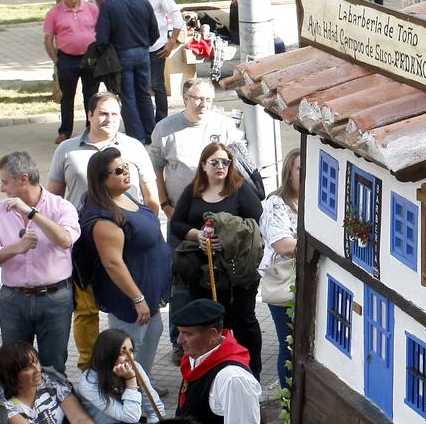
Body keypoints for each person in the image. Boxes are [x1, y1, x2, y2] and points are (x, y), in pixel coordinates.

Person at [49, 92, 159, 368]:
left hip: (126, 243)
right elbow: (54, 200)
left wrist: (148, 236)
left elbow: (151, 197)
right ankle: (90, 369)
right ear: (89, 114)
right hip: (83, 246)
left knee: (126, 304)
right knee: (86, 311)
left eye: (114, 114)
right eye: (102, 113)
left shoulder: (134, 147)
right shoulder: (67, 150)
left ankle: (128, 372)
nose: (109, 119)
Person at [0, 152, 79, 376]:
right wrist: (16, 248)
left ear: (24, 179)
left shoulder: (61, 207)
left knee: (54, 368)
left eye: (5, 182)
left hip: (55, 299)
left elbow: (65, 240)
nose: (2, 188)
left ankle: (53, 400)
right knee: (14, 367)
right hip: (14, 299)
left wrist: (32, 214)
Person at [170, 143, 264, 376]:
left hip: (236, 272)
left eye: (225, 162)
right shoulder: (193, 191)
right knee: (206, 321)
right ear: (203, 165)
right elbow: (177, 224)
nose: (220, 166)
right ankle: (209, 369)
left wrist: (229, 239)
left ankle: (251, 371)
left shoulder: (240, 190)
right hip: (201, 272)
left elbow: (258, 225)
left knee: (242, 320)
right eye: (214, 162)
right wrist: (198, 235)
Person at [82, 146, 171, 363]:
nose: (126, 172)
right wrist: (137, 299)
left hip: (148, 290)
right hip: (130, 299)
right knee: (129, 350)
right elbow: (112, 263)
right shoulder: (104, 219)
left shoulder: (123, 195)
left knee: (153, 334)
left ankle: (143, 381)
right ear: (102, 180)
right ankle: (129, 384)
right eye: (119, 171)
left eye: (126, 166)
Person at [149, 78, 246, 229]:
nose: (204, 104)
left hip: (219, 214)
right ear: (185, 99)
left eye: (208, 99)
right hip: (180, 213)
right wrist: (165, 205)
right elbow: (156, 169)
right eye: (198, 99)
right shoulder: (164, 129)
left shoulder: (225, 125)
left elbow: (237, 166)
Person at [0, 342, 95, 424]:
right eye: (28, 368)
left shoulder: (51, 382)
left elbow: (80, 418)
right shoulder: (1, 401)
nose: (37, 369)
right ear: (11, 375)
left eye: (36, 362)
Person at [93, 0, 158, 142]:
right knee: (144, 93)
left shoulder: (109, 5)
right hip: (143, 52)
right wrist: (145, 44)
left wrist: (104, 52)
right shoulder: (142, 1)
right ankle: (151, 133)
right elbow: (154, 31)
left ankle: (136, 136)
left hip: (122, 54)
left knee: (128, 97)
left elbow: (101, 38)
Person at [260, 149, 301, 390]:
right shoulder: (276, 203)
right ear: (289, 172)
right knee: (289, 344)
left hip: (308, 282)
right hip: (285, 283)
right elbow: (284, 246)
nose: (305, 174)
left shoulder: (314, 199)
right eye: (300, 169)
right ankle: (287, 399)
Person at [43, 0, 101, 144]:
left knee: (91, 95)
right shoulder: (54, 13)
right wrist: (57, 60)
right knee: (67, 97)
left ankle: (91, 129)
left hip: (90, 57)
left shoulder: (92, 9)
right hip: (67, 59)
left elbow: (102, 32)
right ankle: (65, 131)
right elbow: (48, 39)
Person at [128, 0, 184, 124]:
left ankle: (161, 120)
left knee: (157, 84)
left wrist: (171, 41)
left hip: (157, 46)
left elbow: (176, 15)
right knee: (140, 86)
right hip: (137, 47)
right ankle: (145, 121)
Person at [73, 329, 166, 424]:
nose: (129, 358)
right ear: (108, 354)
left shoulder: (134, 367)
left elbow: (155, 407)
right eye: (122, 353)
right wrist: (130, 381)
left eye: (131, 351)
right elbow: (131, 417)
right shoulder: (88, 384)